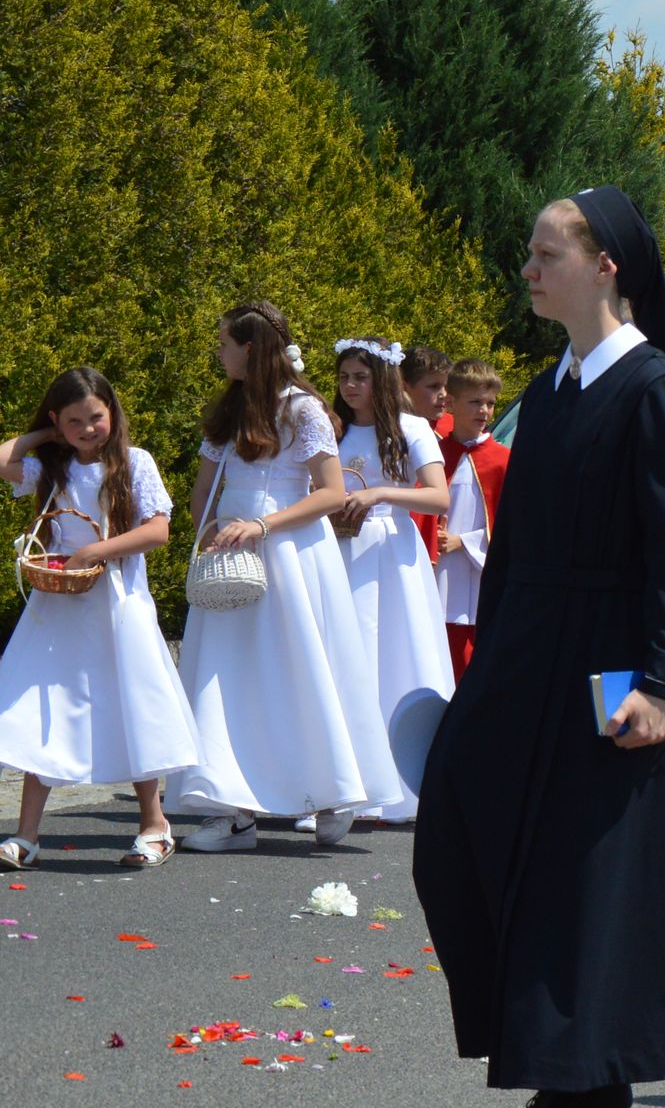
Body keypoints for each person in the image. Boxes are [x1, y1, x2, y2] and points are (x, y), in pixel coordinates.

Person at [413, 190, 665, 1108]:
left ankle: (586, 1104)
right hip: (529, 660)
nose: (528, 268)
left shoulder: (654, 388)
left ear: (607, 267)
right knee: (467, 841)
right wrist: (488, 672)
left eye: (545, 253)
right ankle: (571, 1091)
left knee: (583, 886)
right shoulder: (552, 387)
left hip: (613, 668)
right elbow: (514, 546)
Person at [176, 301, 403, 852]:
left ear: (251, 348)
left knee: (301, 670)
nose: (219, 352)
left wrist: (261, 524)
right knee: (227, 674)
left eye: (225, 343)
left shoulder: (302, 409)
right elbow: (204, 488)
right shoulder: (228, 410)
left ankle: (331, 792)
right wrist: (210, 527)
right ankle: (232, 810)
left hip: (291, 553)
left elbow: (330, 493)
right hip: (232, 552)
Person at [0, 369, 197, 870]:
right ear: (57, 422)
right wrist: (44, 436)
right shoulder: (53, 467)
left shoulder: (134, 462)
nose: (88, 429)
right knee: (44, 705)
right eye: (74, 422)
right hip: (59, 605)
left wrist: (97, 551)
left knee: (130, 703)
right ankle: (27, 834)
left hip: (116, 602)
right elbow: (2, 461)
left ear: (112, 412)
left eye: (96, 417)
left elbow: (158, 531)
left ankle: (154, 822)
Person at [328, 339, 455, 823]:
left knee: (395, 650)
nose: (350, 386)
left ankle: (400, 778)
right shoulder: (335, 430)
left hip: (391, 551)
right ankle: (344, 782)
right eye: (344, 377)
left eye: (360, 377)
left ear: (380, 380)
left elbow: (438, 497)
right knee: (347, 654)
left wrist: (381, 493)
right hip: (342, 548)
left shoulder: (410, 427)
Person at [438, 359, 510, 684]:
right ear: (451, 403)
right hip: (440, 572)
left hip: (480, 574)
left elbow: (512, 523)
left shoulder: (503, 461)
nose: (485, 411)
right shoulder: (434, 456)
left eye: (490, 403)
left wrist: (463, 541)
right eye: (475, 402)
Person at [399, 343, 453, 561]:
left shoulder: (453, 431)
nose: (444, 395)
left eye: (446, 386)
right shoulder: (387, 429)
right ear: (404, 387)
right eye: (433, 386)